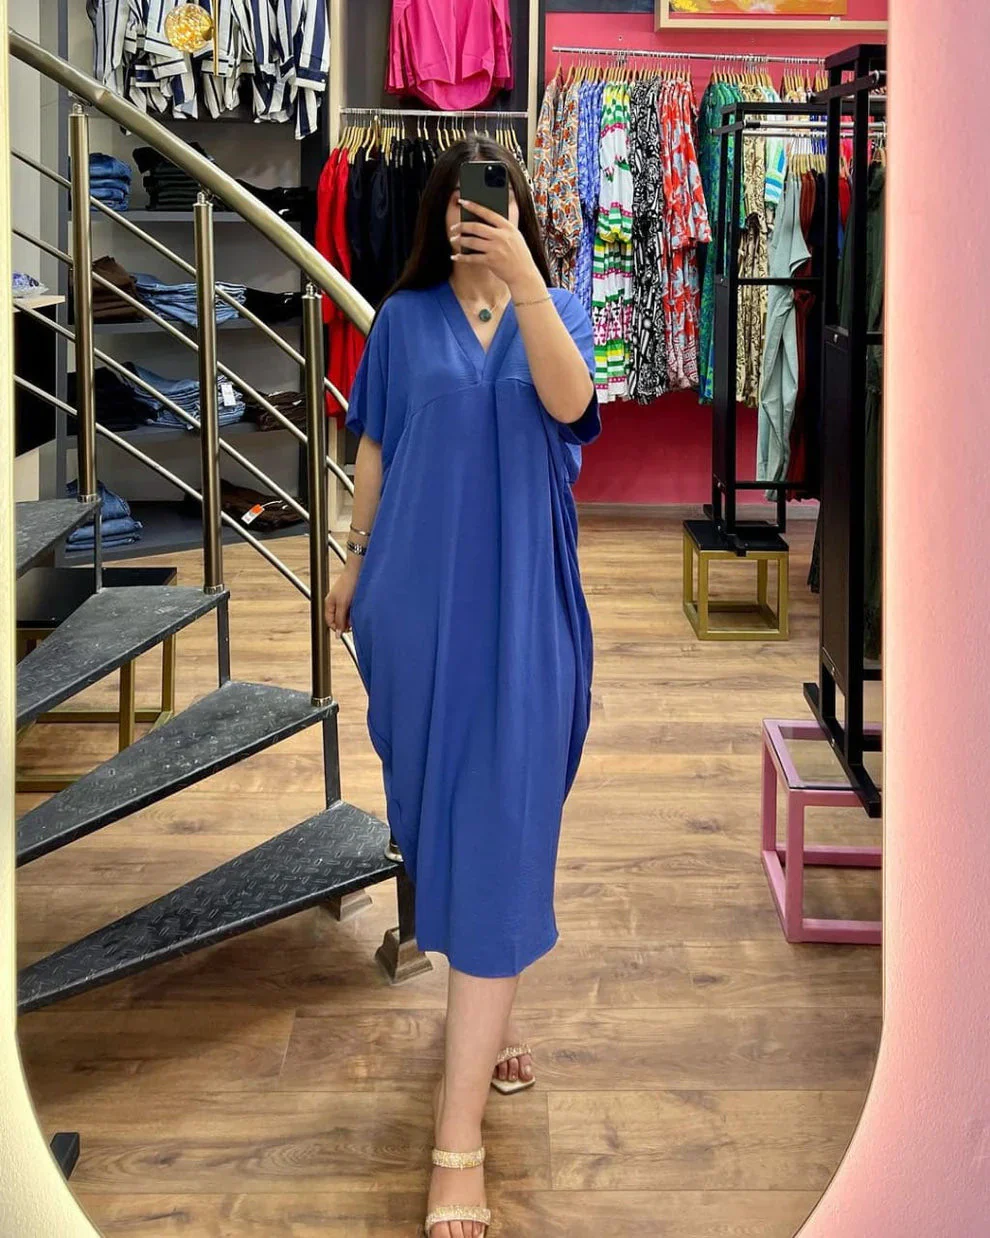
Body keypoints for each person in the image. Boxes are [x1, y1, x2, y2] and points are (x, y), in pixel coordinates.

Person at [325, 136, 600, 1237]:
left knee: (505, 826)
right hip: (419, 608)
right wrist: (353, 561)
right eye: (449, 202)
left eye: (486, 200)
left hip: (524, 613)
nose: (463, 216)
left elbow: (572, 406)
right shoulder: (403, 322)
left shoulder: (558, 310)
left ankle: (457, 1147)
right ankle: (495, 1005)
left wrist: (527, 280)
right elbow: (376, 447)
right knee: (445, 824)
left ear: (519, 211)